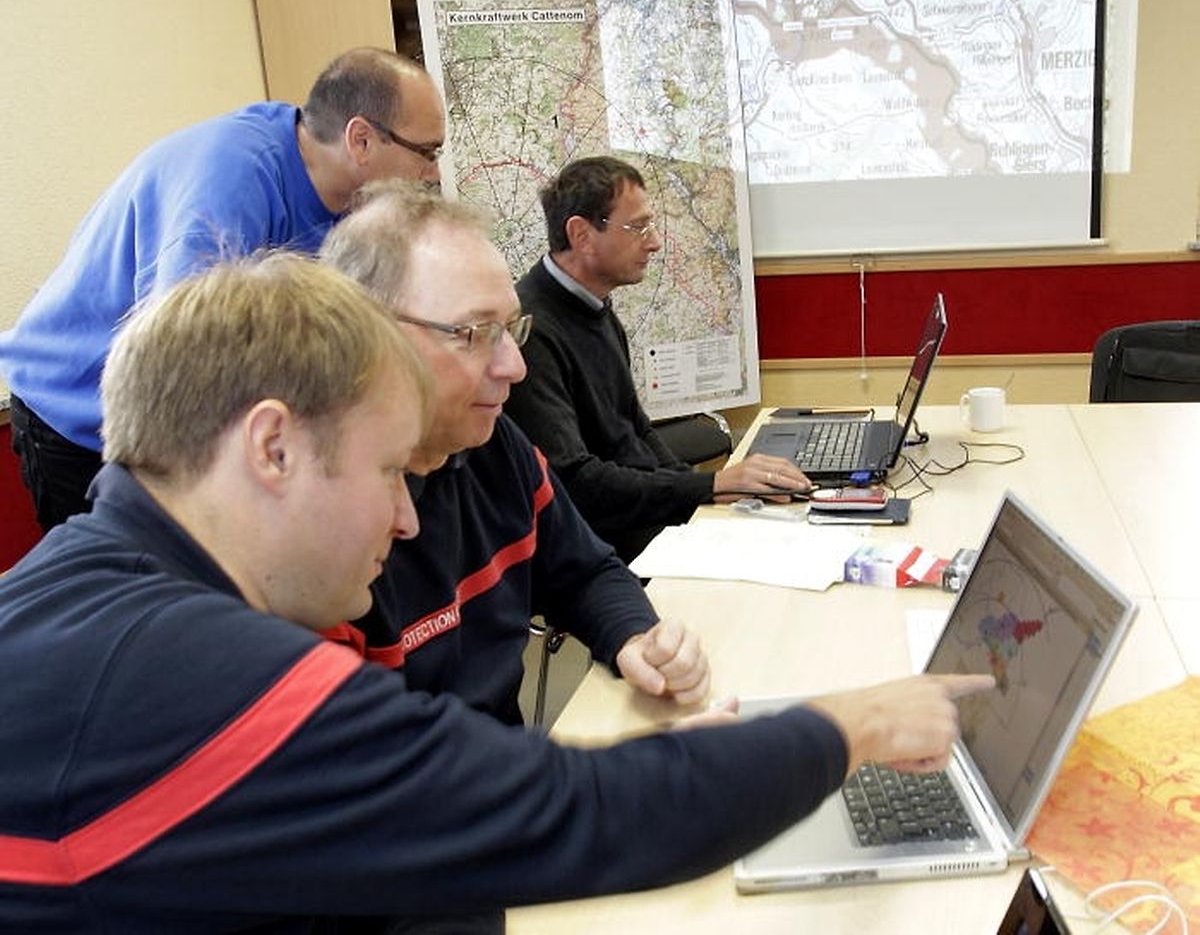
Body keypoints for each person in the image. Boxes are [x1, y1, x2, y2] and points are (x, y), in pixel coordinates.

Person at [0, 251, 992, 932]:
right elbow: (579, 815)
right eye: (389, 472)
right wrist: (855, 724)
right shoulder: (194, 672)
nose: (406, 518)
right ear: (273, 447)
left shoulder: (81, 588)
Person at [0, 46, 445, 533]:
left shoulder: (350, 196)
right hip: (78, 414)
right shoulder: (230, 183)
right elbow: (187, 365)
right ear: (360, 140)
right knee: (139, 573)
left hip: (175, 407)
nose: (434, 173)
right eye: (427, 152)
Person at [319, 180, 710, 728]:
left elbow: (583, 570)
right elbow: (383, 758)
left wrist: (635, 638)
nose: (515, 367)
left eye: (510, 330)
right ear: (369, 335)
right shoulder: (327, 524)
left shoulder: (494, 442)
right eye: (476, 333)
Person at [506, 155, 812, 563]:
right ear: (581, 234)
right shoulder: (531, 332)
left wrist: (707, 496)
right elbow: (574, 484)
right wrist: (710, 486)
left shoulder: (595, 307)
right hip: (596, 550)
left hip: (639, 524)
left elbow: (636, 430)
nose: (653, 242)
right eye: (637, 227)